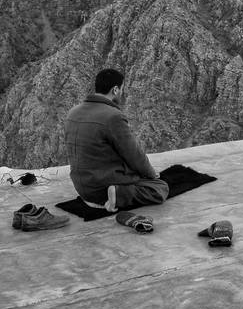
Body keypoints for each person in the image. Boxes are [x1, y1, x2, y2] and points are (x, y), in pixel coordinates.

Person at [65, 68, 168, 212]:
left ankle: (109, 194)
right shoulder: (113, 116)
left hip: (81, 187)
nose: (122, 93)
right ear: (115, 90)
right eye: (122, 89)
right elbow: (134, 154)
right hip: (101, 187)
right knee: (160, 187)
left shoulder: (73, 112)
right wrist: (151, 174)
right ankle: (118, 194)